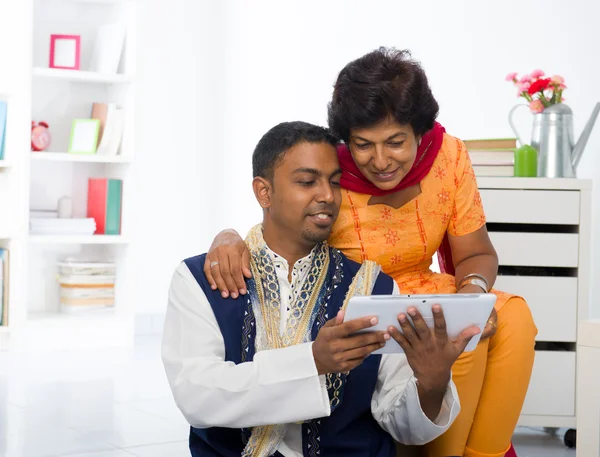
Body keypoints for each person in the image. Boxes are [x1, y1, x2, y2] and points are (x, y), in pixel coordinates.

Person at [203, 49, 538, 457]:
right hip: (363, 301)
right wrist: (227, 234)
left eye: (395, 142)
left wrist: (471, 292)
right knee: (456, 341)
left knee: (514, 317)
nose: (380, 161)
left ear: (420, 132)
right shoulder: (333, 171)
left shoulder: (447, 155)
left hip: (427, 288)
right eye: (363, 145)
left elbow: (476, 254)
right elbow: (282, 217)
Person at [162, 121, 480, 457]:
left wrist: (432, 384)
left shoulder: (375, 287)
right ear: (263, 192)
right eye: (307, 181)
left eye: (334, 182)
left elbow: (403, 425)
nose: (327, 196)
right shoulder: (199, 278)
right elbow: (197, 395)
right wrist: (313, 361)